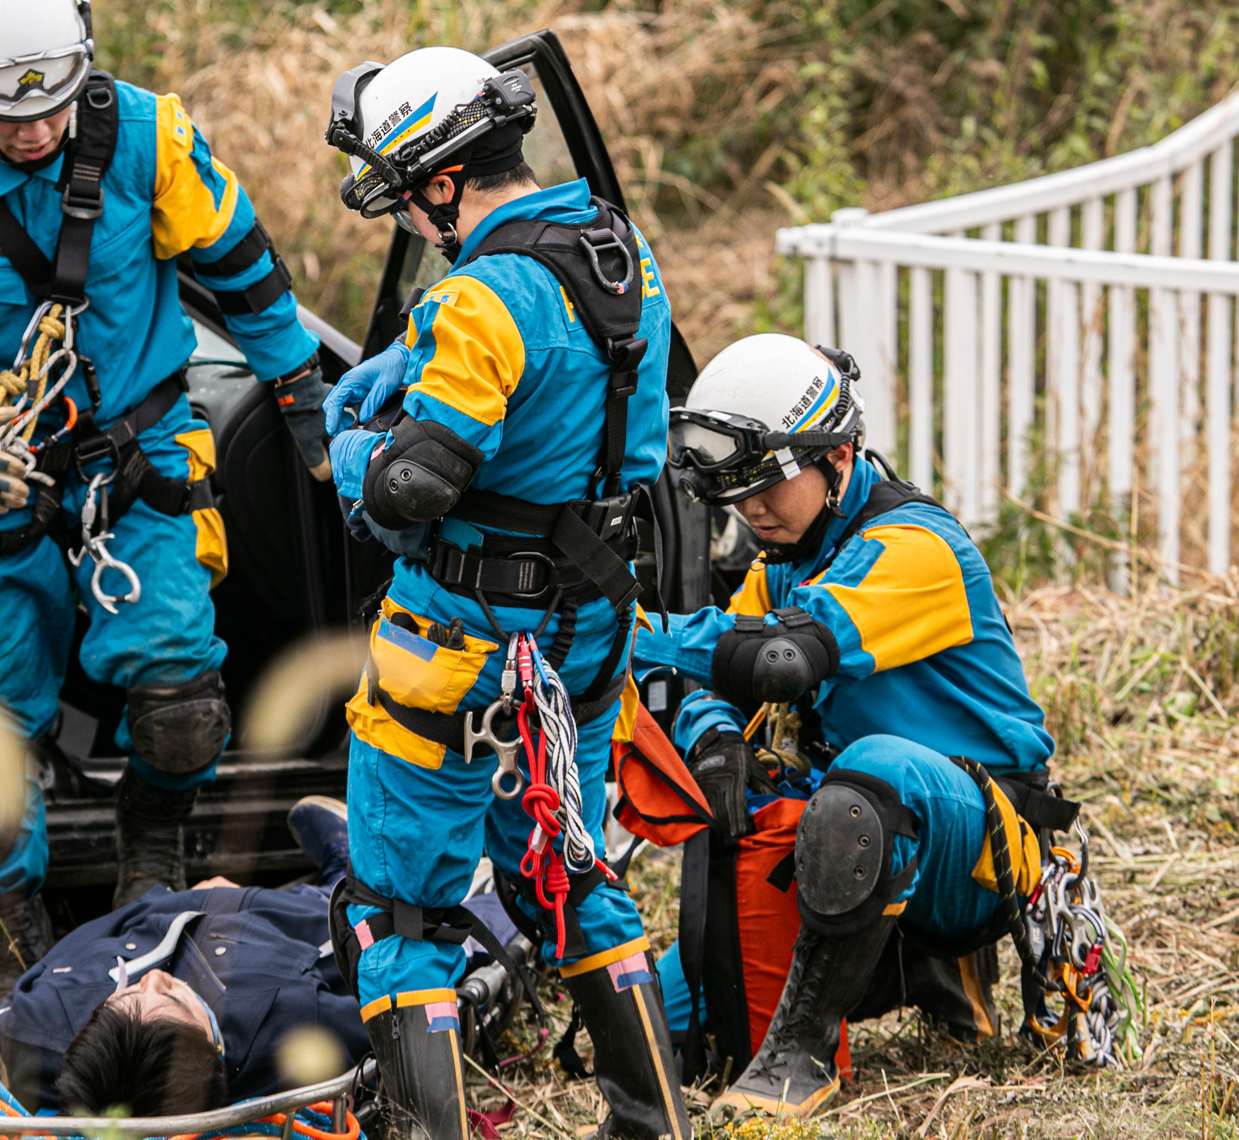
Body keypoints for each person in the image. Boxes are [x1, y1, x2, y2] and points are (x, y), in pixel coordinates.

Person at [0, 0, 332, 1025]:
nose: (35, 130)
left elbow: (248, 277)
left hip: (141, 460)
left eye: (50, 107)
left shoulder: (147, 139)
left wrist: (302, 398)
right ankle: (9, 953)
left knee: (182, 702)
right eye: (7, 114)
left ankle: (149, 880)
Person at [321, 47, 691, 1140]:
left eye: (403, 194)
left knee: (402, 903)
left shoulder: (481, 297)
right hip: (582, 631)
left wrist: (351, 442)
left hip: (464, 631)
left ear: (441, 183)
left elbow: (411, 486)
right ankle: (651, 1122)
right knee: (566, 864)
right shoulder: (621, 256)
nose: (408, 219)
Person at [636, 333, 1069, 1119]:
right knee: (656, 1029)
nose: (751, 510)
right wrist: (714, 735)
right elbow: (722, 677)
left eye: (767, 484)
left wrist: (629, 636)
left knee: (869, 772)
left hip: (973, 843)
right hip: (851, 826)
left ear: (836, 457)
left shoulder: (917, 547)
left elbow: (779, 662)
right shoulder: (781, 559)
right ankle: (913, 973)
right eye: (733, 493)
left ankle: (800, 1058)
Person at [1, 795, 519, 1116]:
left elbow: (105, 929)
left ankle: (347, 868)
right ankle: (495, 886)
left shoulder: (34, 1025)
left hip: (210, 907)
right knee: (437, 924)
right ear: (215, 1056)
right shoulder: (293, 1027)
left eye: (124, 997)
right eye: (175, 1002)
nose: (155, 980)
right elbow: (399, 1002)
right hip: (305, 933)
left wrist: (181, 900)